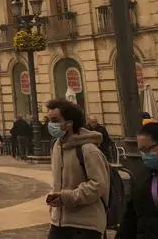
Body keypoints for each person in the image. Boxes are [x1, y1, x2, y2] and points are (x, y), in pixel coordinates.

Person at [45, 98, 109, 239]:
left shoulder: (88, 150)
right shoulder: (56, 146)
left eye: (55, 120)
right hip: (59, 222)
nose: (50, 125)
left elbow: (98, 185)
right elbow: (58, 181)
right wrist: (54, 197)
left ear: (69, 124)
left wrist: (66, 197)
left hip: (85, 225)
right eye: (49, 120)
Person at [118, 121, 158, 238]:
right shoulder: (142, 177)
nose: (144, 155)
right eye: (141, 151)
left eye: (148, 149)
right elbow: (131, 217)